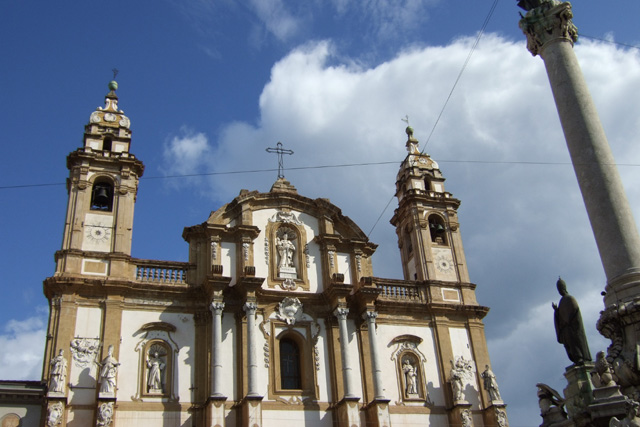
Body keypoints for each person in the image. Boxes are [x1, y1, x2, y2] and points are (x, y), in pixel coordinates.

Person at [552, 278, 592, 365]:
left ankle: (580, 357)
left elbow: (574, 310)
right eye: (558, 289)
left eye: (560, 288)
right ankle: (576, 359)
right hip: (566, 329)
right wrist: (556, 311)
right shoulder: (561, 301)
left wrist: (568, 321)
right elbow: (561, 315)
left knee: (575, 343)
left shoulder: (570, 298)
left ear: (564, 288)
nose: (560, 291)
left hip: (572, 327)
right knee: (570, 346)